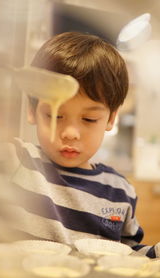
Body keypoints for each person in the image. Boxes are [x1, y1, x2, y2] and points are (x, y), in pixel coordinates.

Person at [10, 31, 160, 258]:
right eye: (54, 116)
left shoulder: (119, 190)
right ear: (32, 111)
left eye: (89, 119)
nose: (70, 133)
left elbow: (127, 256)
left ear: (110, 119)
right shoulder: (15, 160)